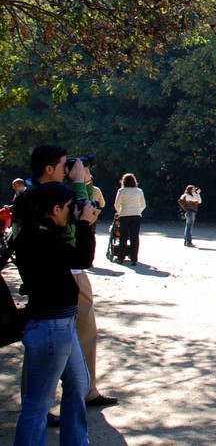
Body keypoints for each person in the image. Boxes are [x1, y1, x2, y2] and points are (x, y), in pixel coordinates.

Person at [30, 145, 118, 415]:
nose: (65, 169)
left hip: (74, 275)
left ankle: (86, 390)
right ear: (49, 169)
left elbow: (87, 209)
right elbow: (81, 216)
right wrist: (79, 183)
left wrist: (85, 181)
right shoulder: (39, 195)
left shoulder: (60, 191)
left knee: (86, 332)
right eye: (61, 164)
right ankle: (38, 405)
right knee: (45, 344)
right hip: (60, 275)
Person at [11, 180, 98, 445]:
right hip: (50, 325)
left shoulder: (40, 230)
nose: (72, 213)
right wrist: (84, 225)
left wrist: (81, 223)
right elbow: (81, 259)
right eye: (69, 208)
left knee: (78, 384)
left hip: (61, 322)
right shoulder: (39, 235)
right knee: (37, 404)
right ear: (56, 208)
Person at [113, 173, 146, 265]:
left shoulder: (122, 190)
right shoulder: (139, 191)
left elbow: (117, 204)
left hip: (124, 215)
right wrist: (139, 211)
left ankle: (120, 258)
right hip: (136, 215)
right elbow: (143, 204)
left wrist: (119, 212)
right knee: (134, 237)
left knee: (123, 236)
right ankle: (134, 259)